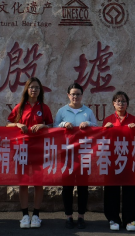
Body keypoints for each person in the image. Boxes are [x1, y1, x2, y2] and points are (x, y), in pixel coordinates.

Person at [7, 77, 53, 229]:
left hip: (39, 149)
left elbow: (52, 126)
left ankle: (36, 215)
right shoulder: (20, 107)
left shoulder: (44, 108)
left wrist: (42, 126)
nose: (34, 90)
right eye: (32, 87)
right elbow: (8, 125)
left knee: (38, 182)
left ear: (40, 91)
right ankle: (25, 215)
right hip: (22, 149)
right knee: (23, 182)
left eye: (37, 88)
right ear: (27, 89)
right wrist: (17, 124)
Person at [54, 83, 98, 230]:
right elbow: (54, 128)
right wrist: (63, 124)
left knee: (82, 187)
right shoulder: (62, 111)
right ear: (68, 95)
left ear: (82, 95)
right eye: (73, 94)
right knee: (67, 187)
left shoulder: (87, 111)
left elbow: (97, 128)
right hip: (67, 154)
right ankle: (68, 216)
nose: (75, 97)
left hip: (83, 154)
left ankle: (81, 217)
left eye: (78, 94)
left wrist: (88, 123)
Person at [102, 91, 135, 232]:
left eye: (123, 101)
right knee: (111, 190)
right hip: (112, 159)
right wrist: (105, 129)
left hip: (129, 160)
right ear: (113, 103)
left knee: (130, 190)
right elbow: (102, 140)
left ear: (127, 104)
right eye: (118, 101)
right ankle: (113, 218)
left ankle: (130, 219)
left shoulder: (134, 120)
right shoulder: (108, 120)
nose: (121, 104)